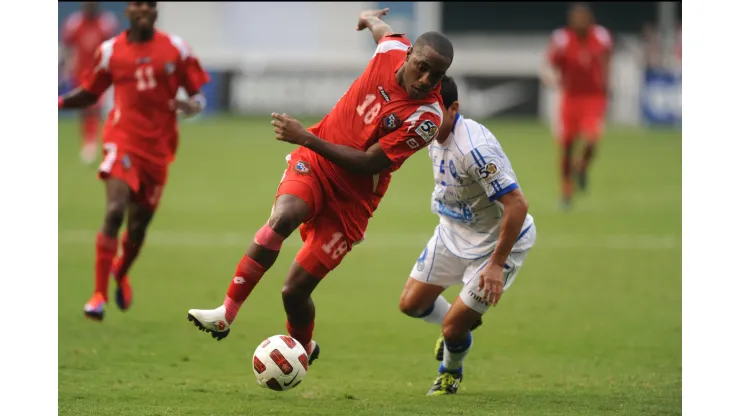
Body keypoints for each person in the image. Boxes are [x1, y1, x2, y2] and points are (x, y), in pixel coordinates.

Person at [186, 9, 454, 367]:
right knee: (285, 217)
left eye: (437, 75)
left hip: (353, 201)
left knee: (294, 291)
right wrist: (367, 17)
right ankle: (226, 312)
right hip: (314, 168)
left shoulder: (427, 118)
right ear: (408, 55)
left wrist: (306, 138)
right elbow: (383, 30)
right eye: (421, 67)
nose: (426, 79)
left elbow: (368, 163)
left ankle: (302, 351)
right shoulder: (392, 48)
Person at [58, 1, 210, 321]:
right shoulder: (110, 51)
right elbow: (89, 92)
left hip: (158, 148)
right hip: (121, 139)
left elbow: (198, 96)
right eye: (137, 4)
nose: (143, 10)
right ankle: (97, 294)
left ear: (156, 11)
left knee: (138, 227)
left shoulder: (177, 50)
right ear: (127, 10)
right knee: (115, 211)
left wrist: (190, 105)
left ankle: (121, 272)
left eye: (149, 5)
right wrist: (57, 102)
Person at [397, 75, 536, 395]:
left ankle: (451, 370)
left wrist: (497, 265)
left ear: (454, 108)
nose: (424, 118)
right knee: (411, 304)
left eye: (432, 109)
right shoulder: (430, 128)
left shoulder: (474, 149)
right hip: (452, 232)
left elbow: (517, 205)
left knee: (451, 329)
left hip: (496, 244)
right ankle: (459, 325)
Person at [541, 3, 612, 209]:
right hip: (570, 98)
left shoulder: (601, 37)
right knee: (567, 145)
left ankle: (581, 167)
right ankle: (566, 191)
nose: (579, 21)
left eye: (583, 17)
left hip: (594, 98)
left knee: (591, 140)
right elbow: (549, 63)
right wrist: (550, 78)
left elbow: (607, 59)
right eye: (575, 17)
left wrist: (608, 82)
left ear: (590, 18)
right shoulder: (562, 39)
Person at [60, 2, 120, 164]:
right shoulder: (74, 23)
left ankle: (95, 143)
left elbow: (115, 46)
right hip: (80, 73)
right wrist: (66, 67)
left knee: (97, 107)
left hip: (100, 72)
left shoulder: (106, 22)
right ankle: (89, 142)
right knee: (85, 108)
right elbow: (66, 45)